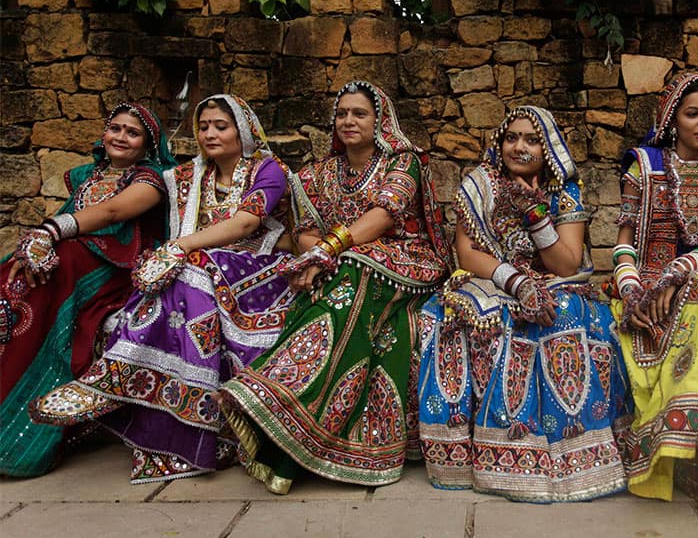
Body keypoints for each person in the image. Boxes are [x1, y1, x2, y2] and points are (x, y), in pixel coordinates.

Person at [31, 94, 297, 484]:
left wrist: (179, 247)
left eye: (220, 126)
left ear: (243, 130)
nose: (209, 133)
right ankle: (166, 419)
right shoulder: (186, 178)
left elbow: (244, 225)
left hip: (261, 268)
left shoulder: (268, 170)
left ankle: (111, 380)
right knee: (178, 278)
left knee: (189, 269)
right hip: (203, 270)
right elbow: (119, 209)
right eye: (203, 126)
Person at [219, 81, 451, 495]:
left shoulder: (403, 162)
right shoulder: (317, 173)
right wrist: (318, 255)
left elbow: (383, 215)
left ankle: (283, 405)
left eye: (359, 113)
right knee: (342, 277)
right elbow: (304, 232)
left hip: (407, 259)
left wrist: (328, 250)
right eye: (341, 113)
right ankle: (288, 419)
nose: (348, 121)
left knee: (354, 271)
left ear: (380, 120)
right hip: (344, 263)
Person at [418, 105, 632, 503]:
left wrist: (536, 216)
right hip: (492, 279)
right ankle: (486, 452)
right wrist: (515, 281)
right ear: (499, 143)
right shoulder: (480, 184)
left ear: (547, 148)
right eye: (511, 137)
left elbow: (566, 261)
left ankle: (571, 455)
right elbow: (465, 252)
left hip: (553, 281)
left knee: (565, 314)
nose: (519, 147)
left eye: (531, 140)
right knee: (458, 315)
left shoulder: (563, 192)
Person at [0, 103, 175, 477]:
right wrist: (32, 249)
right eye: (116, 128)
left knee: (40, 302)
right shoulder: (88, 176)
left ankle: (18, 442)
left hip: (114, 271)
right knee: (11, 283)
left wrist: (48, 233)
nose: (121, 137)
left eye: (133, 133)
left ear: (148, 145)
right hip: (71, 264)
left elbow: (112, 214)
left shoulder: (149, 179)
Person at [611, 73, 698, 503]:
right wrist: (634, 291)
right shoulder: (645, 165)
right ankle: (673, 457)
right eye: (693, 113)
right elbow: (623, 240)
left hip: (697, 285)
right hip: (644, 292)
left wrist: (678, 275)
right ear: (673, 118)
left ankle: (696, 457)